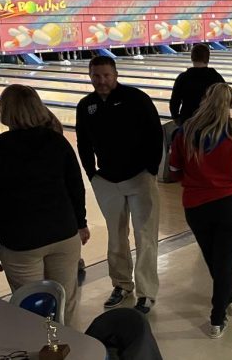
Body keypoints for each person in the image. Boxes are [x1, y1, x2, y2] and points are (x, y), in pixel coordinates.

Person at [0, 85, 88, 323]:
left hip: (21, 243)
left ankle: (41, 353)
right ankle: (74, 352)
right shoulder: (57, 142)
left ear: (5, 111)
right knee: (66, 302)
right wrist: (81, 222)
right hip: (63, 234)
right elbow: (76, 187)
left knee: (32, 310)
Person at [169, 84, 232, 338]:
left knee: (214, 258)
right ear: (231, 104)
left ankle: (229, 297)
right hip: (230, 205)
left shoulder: (184, 132)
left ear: (205, 99)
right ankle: (217, 319)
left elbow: (174, 172)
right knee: (225, 262)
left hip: (196, 206)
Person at [76, 55, 162, 314]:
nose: (101, 80)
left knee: (145, 235)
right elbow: (82, 142)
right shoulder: (86, 105)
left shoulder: (136, 98)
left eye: (106, 75)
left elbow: (155, 133)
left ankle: (146, 292)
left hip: (140, 177)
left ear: (115, 74)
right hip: (106, 181)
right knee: (116, 236)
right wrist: (92, 173)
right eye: (96, 76)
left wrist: (151, 169)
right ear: (90, 76)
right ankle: (122, 284)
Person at [170, 44, 226, 126]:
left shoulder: (183, 77)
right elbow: (227, 98)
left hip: (188, 121)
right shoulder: (216, 77)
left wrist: (176, 117)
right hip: (210, 122)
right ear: (208, 59)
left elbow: (174, 102)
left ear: (192, 58)